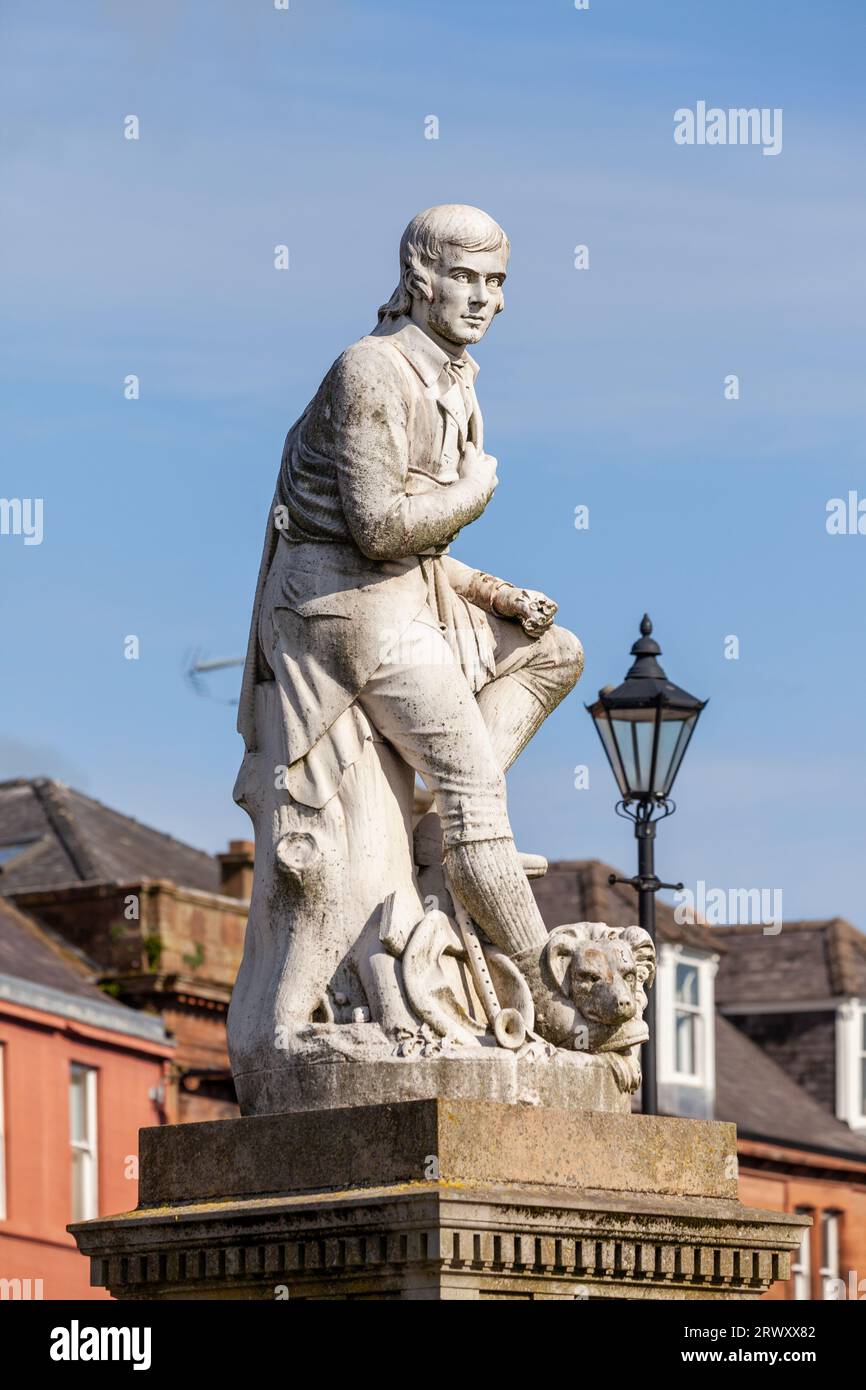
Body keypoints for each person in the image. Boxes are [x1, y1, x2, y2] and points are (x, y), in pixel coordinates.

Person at [238, 204, 584, 1037]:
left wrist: (497, 594)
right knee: (476, 789)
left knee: (558, 653)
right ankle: (547, 994)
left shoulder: (455, 382)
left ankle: (443, 812)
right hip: (341, 615)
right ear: (419, 275)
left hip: (404, 594)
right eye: (464, 277)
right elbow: (379, 529)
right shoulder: (371, 370)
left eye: (495, 282)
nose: (481, 298)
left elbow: (418, 549)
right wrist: (477, 492)